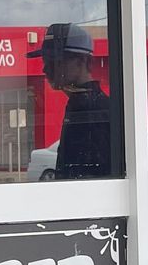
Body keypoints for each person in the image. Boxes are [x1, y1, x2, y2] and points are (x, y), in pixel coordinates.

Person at [34, 21, 113, 179]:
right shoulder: (79, 104)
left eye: (55, 61)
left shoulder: (96, 109)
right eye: (45, 61)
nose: (45, 69)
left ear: (83, 61)